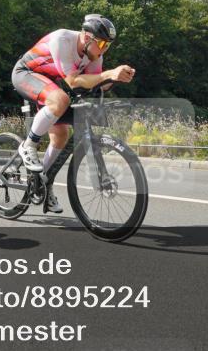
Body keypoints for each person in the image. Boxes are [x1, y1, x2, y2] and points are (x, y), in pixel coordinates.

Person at [11, 15, 135, 213]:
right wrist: (108, 74)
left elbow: (93, 85)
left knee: (61, 135)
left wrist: (118, 78)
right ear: (87, 37)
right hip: (25, 73)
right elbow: (73, 82)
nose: (104, 50)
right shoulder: (62, 39)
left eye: (108, 46)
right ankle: (29, 146)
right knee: (61, 100)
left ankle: (43, 182)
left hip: (51, 83)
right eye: (102, 43)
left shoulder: (95, 55)